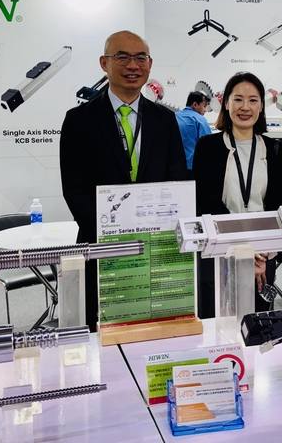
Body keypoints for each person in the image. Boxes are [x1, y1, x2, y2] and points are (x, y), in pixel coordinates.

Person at [59, 30, 187, 331]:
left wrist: (160, 232)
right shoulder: (78, 120)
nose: (133, 65)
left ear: (150, 64)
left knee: (156, 329)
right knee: (102, 329)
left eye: (140, 58)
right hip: (101, 247)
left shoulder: (165, 120)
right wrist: (112, 235)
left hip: (156, 247)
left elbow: (177, 180)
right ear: (104, 63)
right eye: (123, 57)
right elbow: (74, 189)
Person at [193, 72, 282, 318]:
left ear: (261, 106)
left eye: (253, 100)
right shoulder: (207, 148)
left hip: (262, 255)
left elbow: (276, 209)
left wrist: (259, 253)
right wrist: (243, 248)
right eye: (238, 99)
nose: (245, 107)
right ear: (226, 104)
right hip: (219, 251)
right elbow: (205, 203)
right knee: (216, 322)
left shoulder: (279, 152)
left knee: (257, 324)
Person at [176, 91, 212, 172]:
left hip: (174, 167)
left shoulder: (174, 116)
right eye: (204, 106)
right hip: (192, 167)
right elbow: (208, 146)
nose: (205, 110)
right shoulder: (200, 120)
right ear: (195, 104)